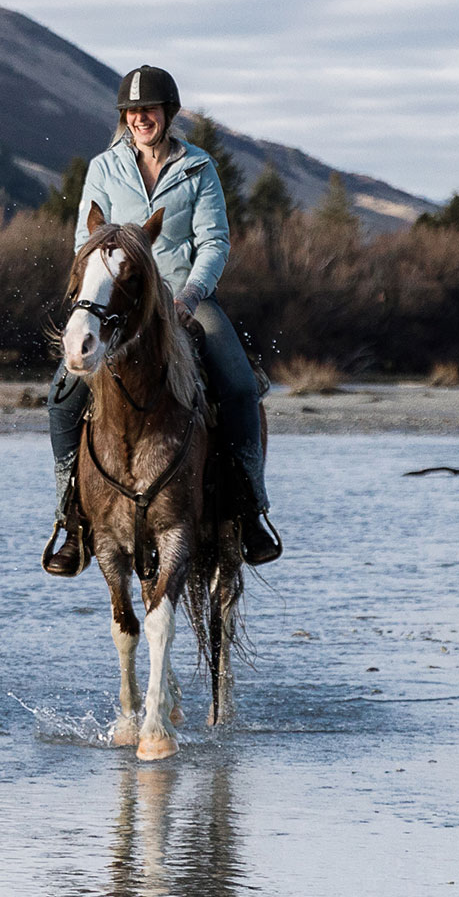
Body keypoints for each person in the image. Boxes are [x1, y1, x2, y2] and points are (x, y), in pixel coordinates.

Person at [46, 65, 282, 566]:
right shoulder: (103, 169)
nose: (139, 118)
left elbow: (215, 241)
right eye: (131, 112)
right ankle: (71, 519)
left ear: (167, 114)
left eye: (148, 110)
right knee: (60, 399)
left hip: (185, 297)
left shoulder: (199, 169)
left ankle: (250, 511)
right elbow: (85, 242)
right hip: (120, 303)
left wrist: (192, 295)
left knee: (240, 387)